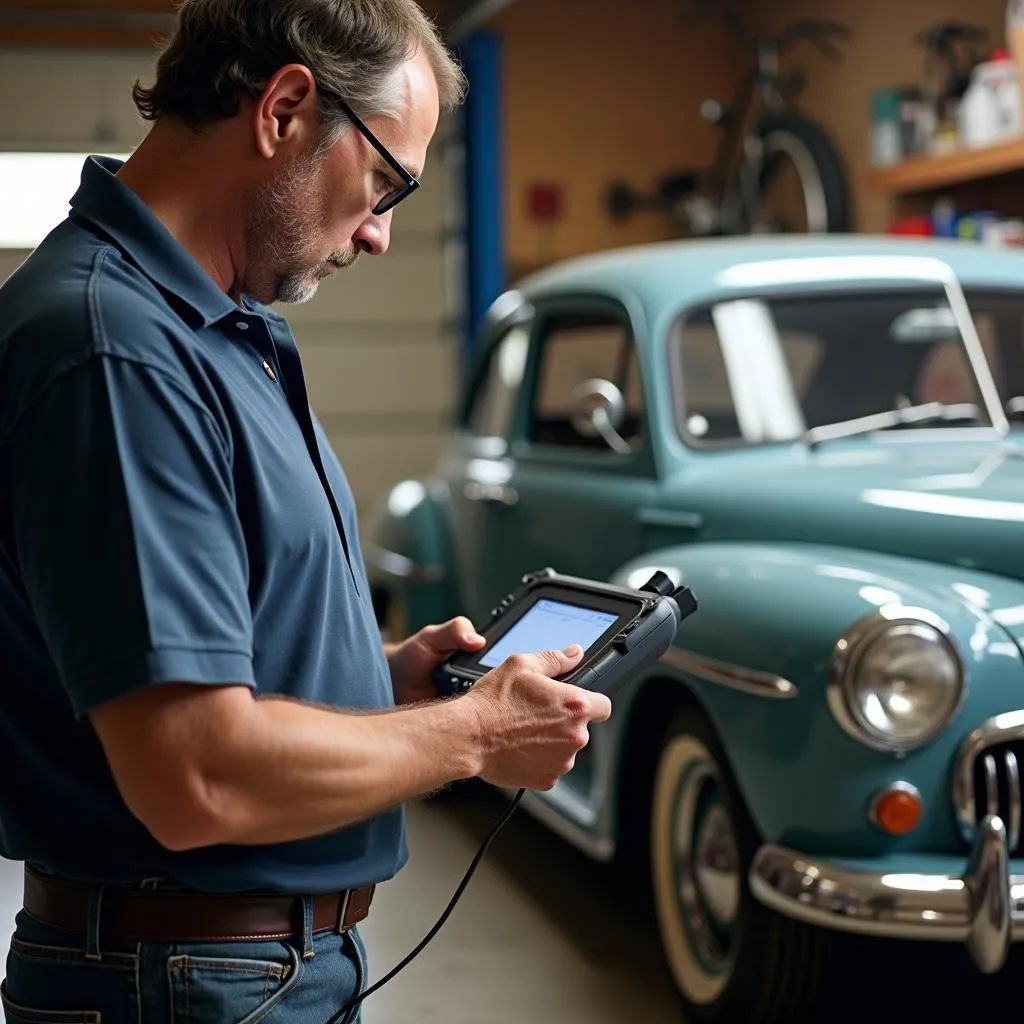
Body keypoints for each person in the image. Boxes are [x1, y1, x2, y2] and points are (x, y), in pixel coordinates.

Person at [0, 1, 613, 1020]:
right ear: (285, 107)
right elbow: (193, 775)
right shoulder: (117, 354)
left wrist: (382, 686)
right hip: (186, 981)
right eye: (383, 183)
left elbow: (168, 680)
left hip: (232, 973)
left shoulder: (212, 332)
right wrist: (471, 733)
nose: (377, 233)